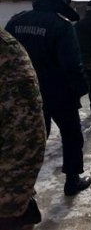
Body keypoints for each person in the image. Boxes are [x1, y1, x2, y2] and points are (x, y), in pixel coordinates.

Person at [5, 0, 91, 197]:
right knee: (71, 135)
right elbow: (71, 65)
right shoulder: (62, 26)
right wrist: (81, 88)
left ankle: (24, 187)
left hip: (24, 93)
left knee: (31, 138)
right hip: (59, 92)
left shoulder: (16, 21)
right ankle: (72, 181)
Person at [0, 28, 46, 229]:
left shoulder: (14, 28)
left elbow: (25, 134)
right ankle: (72, 178)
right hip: (57, 89)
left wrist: (10, 205)